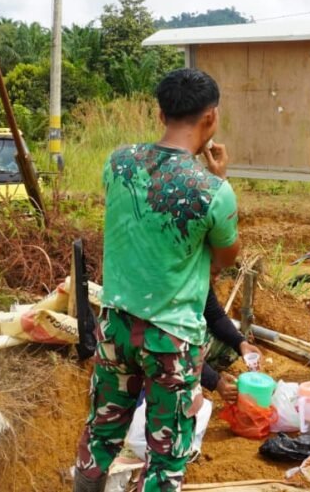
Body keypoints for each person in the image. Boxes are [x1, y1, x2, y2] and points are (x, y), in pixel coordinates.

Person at [74, 68, 240, 492]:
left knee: (99, 437)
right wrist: (219, 180)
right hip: (171, 339)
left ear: (160, 112)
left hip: (114, 326)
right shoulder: (212, 190)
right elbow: (225, 256)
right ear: (211, 117)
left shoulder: (119, 162)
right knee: (165, 461)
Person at [201, 286, 262, 403]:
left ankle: (198, 379)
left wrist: (241, 343)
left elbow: (215, 315)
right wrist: (215, 381)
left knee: (232, 346)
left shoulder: (202, 283)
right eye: (215, 271)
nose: (218, 277)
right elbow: (180, 349)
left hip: (184, 345)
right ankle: (187, 382)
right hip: (165, 350)